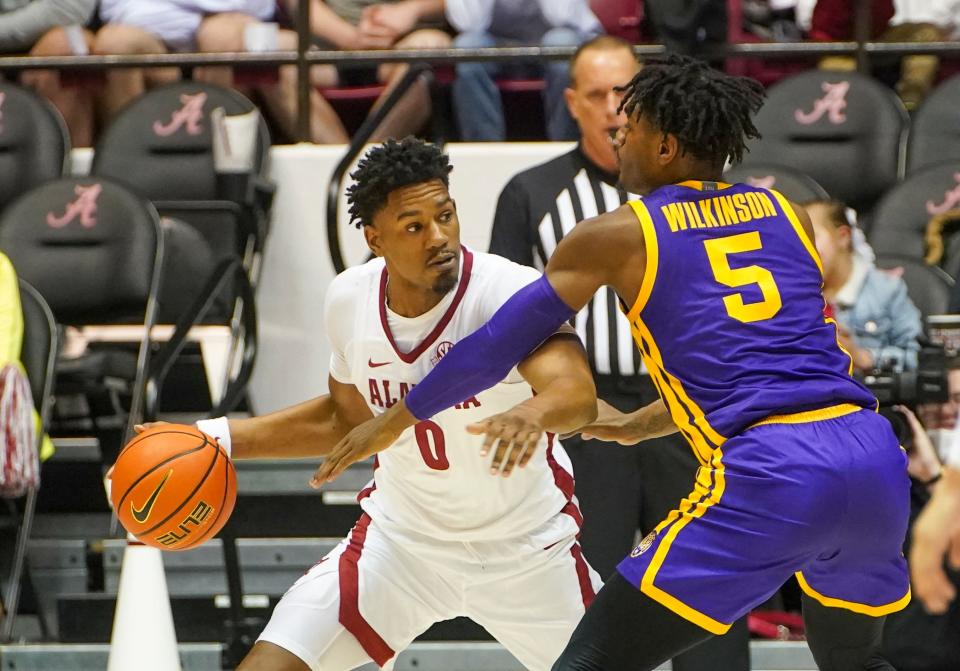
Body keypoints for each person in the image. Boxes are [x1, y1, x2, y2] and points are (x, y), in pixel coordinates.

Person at [317, 54, 912, 671]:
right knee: (855, 665)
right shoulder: (787, 216)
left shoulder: (618, 233)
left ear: (667, 146)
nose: (618, 135)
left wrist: (393, 421)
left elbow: (497, 344)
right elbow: (766, 374)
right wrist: (635, 425)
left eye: (632, 126)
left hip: (771, 475)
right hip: (871, 460)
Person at [139, 137, 603, 671]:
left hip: (527, 553)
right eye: (414, 226)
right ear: (375, 238)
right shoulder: (349, 300)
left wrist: (533, 411)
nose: (439, 237)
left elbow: (575, 393)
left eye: (445, 215)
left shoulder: (506, 289)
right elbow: (347, 419)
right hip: (401, 547)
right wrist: (214, 437)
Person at [488, 35, 750, 671]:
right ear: (572, 102)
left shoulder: (713, 193)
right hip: (589, 412)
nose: (613, 108)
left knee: (710, 592)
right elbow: (504, 311)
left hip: (686, 410)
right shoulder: (532, 191)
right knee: (587, 593)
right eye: (598, 94)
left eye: (624, 93)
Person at [446, 0, 601, 141]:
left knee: (561, 43)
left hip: (553, 37)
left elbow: (563, 16)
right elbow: (468, 22)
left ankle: (567, 145)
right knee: (468, 46)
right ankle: (484, 149)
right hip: (497, 44)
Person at [808, 198, 922, 374]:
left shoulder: (886, 290)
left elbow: (917, 358)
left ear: (843, 237)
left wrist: (863, 357)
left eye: (811, 237)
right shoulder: (792, 295)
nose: (803, 249)